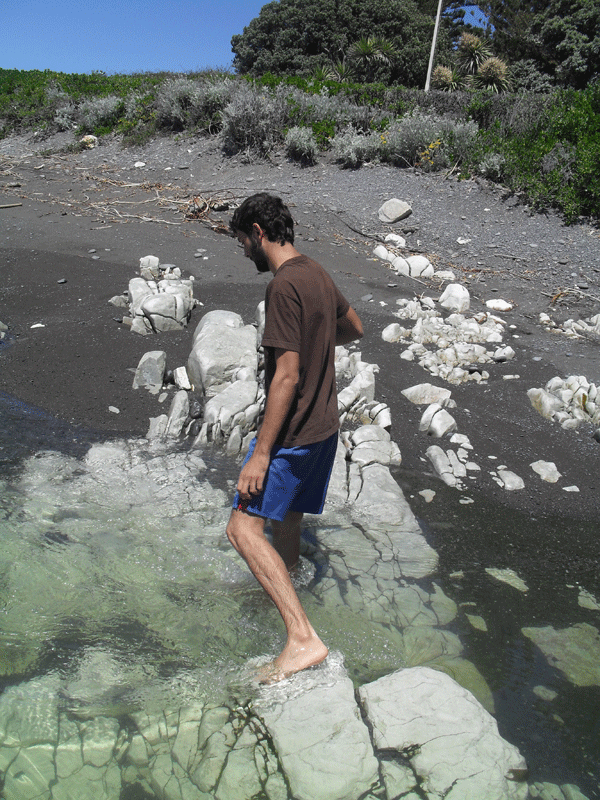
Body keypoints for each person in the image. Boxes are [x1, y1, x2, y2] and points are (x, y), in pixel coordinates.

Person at [226, 193, 363, 682]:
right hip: (325, 428)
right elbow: (354, 327)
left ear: (258, 232)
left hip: (295, 432)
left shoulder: (283, 286)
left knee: (242, 529)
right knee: (286, 521)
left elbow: (285, 376)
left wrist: (261, 454)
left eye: (242, 241)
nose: (243, 251)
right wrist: (316, 343)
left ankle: (303, 639)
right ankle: (288, 592)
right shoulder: (316, 272)